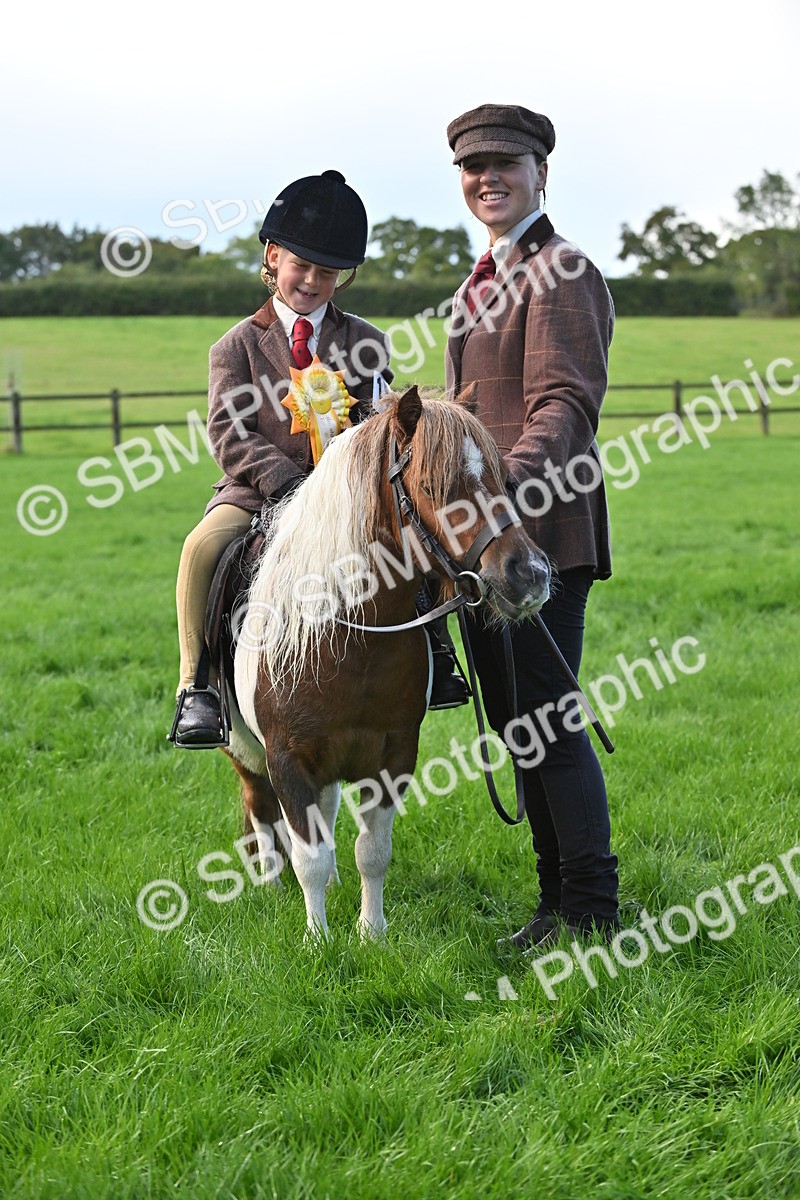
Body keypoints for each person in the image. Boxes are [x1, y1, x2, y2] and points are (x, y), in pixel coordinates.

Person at [170, 168, 464, 748]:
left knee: (416, 535)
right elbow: (229, 434)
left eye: (326, 272)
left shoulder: (366, 341)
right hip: (261, 491)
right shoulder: (236, 347)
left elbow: (384, 424)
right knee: (201, 547)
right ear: (274, 258)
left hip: (353, 494)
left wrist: (353, 456)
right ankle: (196, 686)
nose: (310, 280)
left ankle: (436, 651)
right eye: (300, 266)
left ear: (342, 278)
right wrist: (287, 483)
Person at [444, 104, 620, 947]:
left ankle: (591, 907)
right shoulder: (472, 288)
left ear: (540, 173)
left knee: (550, 722)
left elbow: (565, 403)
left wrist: (502, 485)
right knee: (520, 727)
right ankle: (553, 903)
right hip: (487, 545)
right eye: (473, 168)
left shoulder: (563, 272)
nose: (488, 179)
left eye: (504, 164)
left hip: (543, 535)